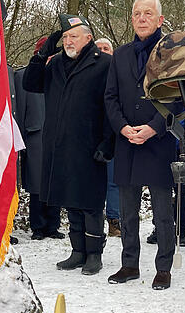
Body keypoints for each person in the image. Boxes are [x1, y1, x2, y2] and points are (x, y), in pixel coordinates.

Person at [23, 14, 114, 275]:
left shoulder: (104, 63)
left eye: (73, 36)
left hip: (90, 144)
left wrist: (109, 142)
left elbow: (111, 104)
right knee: (70, 200)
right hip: (60, 145)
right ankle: (78, 251)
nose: (68, 41)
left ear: (88, 38)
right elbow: (31, 83)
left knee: (90, 203)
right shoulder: (55, 65)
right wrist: (42, 54)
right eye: (64, 37)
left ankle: (94, 254)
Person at [105, 0, 178, 290]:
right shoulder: (120, 55)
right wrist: (122, 128)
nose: (142, 18)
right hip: (126, 142)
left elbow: (177, 98)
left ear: (160, 19)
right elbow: (110, 97)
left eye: (148, 13)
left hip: (158, 142)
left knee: (162, 213)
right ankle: (129, 264)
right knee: (127, 210)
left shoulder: (171, 53)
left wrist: (153, 128)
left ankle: (164, 268)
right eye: (137, 13)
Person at [15, 37, 64, 241]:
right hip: (34, 135)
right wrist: (22, 139)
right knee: (36, 183)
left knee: (55, 180)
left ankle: (53, 225)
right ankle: (38, 226)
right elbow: (20, 108)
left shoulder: (62, 74)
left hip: (59, 135)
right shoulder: (23, 75)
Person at [95, 38, 122, 237]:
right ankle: (93, 222)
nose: (103, 51)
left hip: (114, 134)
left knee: (113, 180)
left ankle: (114, 220)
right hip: (91, 135)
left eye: (106, 48)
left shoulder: (120, 73)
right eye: (99, 48)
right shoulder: (86, 72)